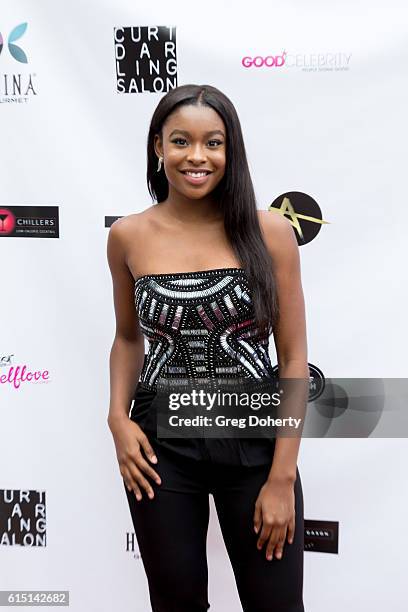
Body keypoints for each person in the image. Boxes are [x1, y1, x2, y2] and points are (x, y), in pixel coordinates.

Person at [107, 84, 308, 612]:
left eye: (212, 143)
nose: (197, 156)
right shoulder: (128, 236)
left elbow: (291, 359)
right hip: (160, 447)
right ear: (158, 147)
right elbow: (128, 338)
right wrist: (116, 419)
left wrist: (282, 475)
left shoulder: (270, 233)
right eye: (180, 141)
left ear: (230, 150)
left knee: (277, 603)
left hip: (255, 439)